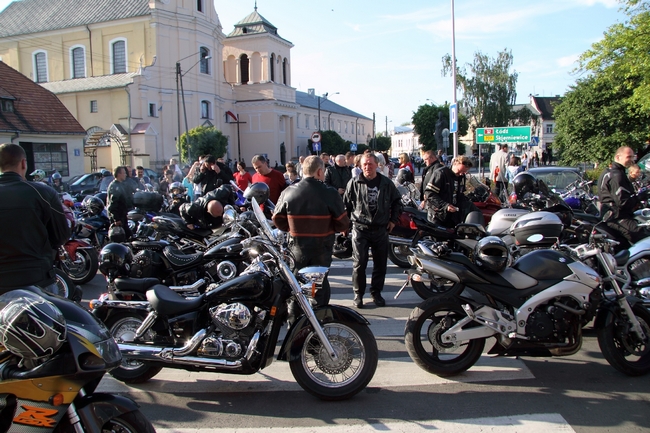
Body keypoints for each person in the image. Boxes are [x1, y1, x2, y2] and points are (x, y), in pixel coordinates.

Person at [273, 156, 350, 307]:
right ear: (320, 171)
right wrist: (331, 227)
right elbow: (343, 223)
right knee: (318, 288)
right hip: (321, 248)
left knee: (297, 287)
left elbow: (277, 219)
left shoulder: (289, 191)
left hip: (296, 248)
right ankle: (317, 316)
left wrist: (292, 228)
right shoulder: (330, 193)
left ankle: (296, 316)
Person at [0, 143, 70, 291]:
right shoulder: (43, 192)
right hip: (37, 278)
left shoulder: (44, 192)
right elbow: (61, 236)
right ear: (23, 163)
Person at [343, 153, 401, 308]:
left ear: (377, 165)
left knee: (380, 263)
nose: (367, 167)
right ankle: (358, 294)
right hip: (360, 228)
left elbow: (397, 201)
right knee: (359, 263)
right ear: (360, 166)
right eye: (365, 164)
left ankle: (376, 293)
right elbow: (346, 205)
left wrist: (393, 220)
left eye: (370, 164)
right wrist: (344, 225)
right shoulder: (354, 182)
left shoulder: (386, 183)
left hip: (380, 228)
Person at [598, 146, 650, 247]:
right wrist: (639, 197)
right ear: (618, 157)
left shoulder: (609, 171)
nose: (632, 159)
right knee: (646, 240)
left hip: (612, 216)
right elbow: (623, 202)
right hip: (617, 218)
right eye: (628, 157)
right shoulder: (617, 175)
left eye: (633, 157)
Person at [425, 155, 481, 228]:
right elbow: (429, 193)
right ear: (455, 163)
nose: (461, 174)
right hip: (438, 215)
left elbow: (460, 194)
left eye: (464, 172)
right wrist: (445, 206)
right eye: (459, 171)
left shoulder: (461, 177)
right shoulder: (440, 173)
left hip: (452, 216)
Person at [106, 166, 134, 240]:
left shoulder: (120, 185)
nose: (125, 175)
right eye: (124, 173)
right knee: (120, 238)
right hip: (118, 218)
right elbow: (112, 205)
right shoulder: (115, 187)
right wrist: (116, 219)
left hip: (123, 216)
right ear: (119, 174)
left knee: (129, 236)